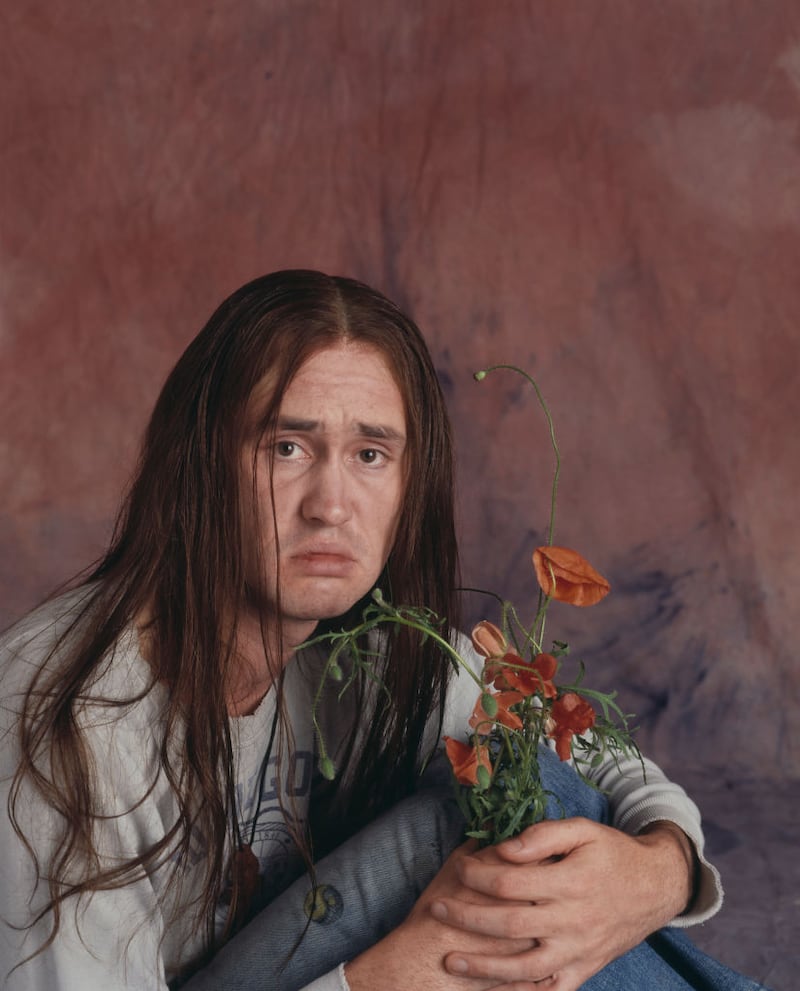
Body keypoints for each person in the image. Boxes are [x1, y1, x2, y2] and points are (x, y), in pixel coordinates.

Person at [0, 270, 766, 991]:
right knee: (485, 848)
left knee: (530, 797)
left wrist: (656, 873)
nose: (331, 504)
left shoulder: (367, 645)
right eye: (287, 448)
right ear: (201, 463)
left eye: (370, 454)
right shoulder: (64, 724)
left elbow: (597, 765)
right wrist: (393, 975)